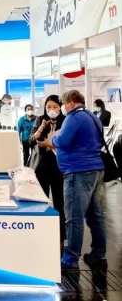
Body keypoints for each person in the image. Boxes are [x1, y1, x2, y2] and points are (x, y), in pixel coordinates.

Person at [38, 90, 107, 270]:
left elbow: (63, 142)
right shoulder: (93, 116)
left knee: (74, 217)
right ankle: (99, 255)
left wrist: (53, 140)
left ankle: (70, 259)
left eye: (62, 104)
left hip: (78, 171)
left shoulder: (73, 118)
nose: (62, 108)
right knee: (95, 216)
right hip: (96, 169)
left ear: (70, 103)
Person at [30, 95, 66, 250]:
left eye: (55, 107)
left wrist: (50, 144)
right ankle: (42, 236)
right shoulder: (40, 119)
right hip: (41, 166)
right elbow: (31, 139)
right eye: (49, 107)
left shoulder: (66, 121)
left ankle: (60, 239)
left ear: (61, 107)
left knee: (60, 204)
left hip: (59, 167)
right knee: (41, 202)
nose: (52, 110)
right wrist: (42, 127)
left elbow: (68, 144)